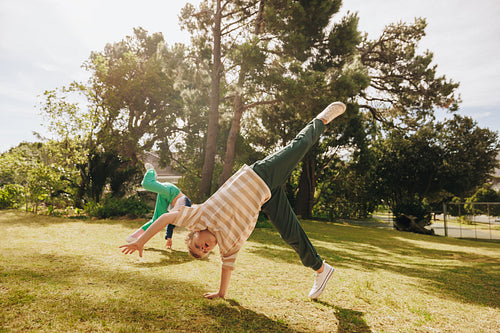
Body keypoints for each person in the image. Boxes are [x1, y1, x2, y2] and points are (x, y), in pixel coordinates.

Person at [120, 101, 346, 300]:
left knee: (297, 147)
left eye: (198, 245)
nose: (204, 247)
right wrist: (221, 293)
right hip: (266, 197)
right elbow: (226, 269)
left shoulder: (197, 217)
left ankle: (321, 119)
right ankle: (320, 268)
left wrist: (142, 241)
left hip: (258, 176)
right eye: (204, 251)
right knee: (291, 234)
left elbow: (165, 218)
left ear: (195, 233)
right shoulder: (228, 246)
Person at [125, 163, 191, 249]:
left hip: (166, 198)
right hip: (172, 191)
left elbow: (169, 223)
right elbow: (185, 203)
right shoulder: (187, 210)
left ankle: (134, 237)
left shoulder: (178, 219)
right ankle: (151, 171)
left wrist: (169, 239)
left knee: (156, 221)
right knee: (146, 184)